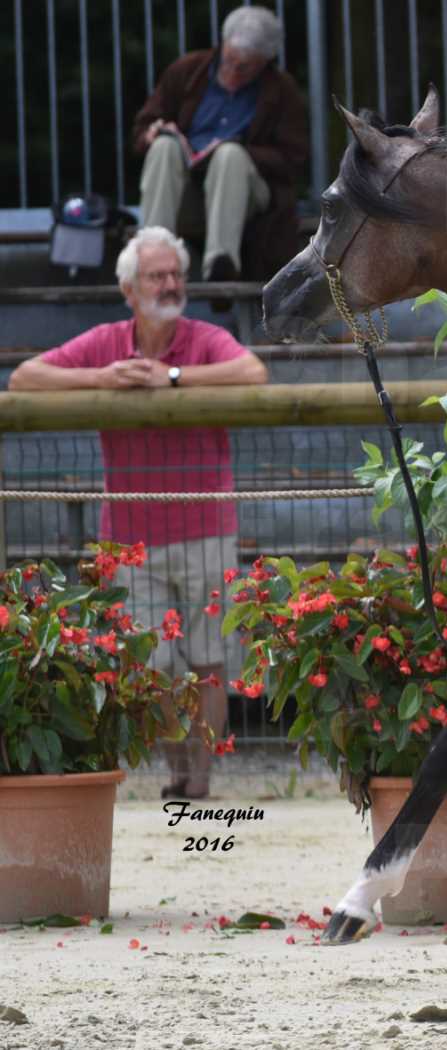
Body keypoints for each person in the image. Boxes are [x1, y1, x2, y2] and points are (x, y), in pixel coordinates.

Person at [7, 227, 268, 799]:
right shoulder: (104, 341)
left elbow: (254, 373)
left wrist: (171, 378)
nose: (170, 284)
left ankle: (197, 786)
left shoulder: (205, 337)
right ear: (129, 289)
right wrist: (101, 379)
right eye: (157, 275)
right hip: (129, 538)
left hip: (206, 526)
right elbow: (25, 377)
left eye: (176, 274)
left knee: (209, 663)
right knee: (155, 669)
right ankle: (177, 772)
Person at [131, 6, 307, 295]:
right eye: (228, 61)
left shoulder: (282, 91)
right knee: (163, 146)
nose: (233, 72)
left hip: (246, 196)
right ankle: (152, 256)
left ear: (265, 61)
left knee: (230, 156)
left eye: (244, 67)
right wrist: (152, 132)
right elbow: (143, 126)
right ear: (222, 44)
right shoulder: (187, 70)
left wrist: (240, 149)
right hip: (186, 192)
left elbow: (293, 160)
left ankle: (220, 267)